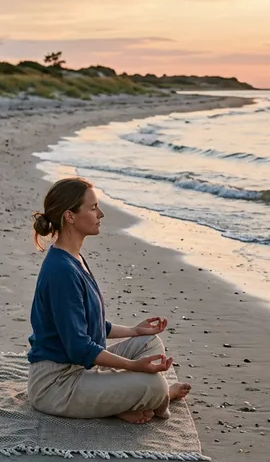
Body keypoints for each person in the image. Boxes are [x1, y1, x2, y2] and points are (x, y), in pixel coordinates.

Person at [27, 177, 190, 424]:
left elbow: (89, 326)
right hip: (57, 386)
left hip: (82, 370)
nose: (100, 214)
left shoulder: (74, 258)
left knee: (149, 342)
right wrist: (135, 368)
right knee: (155, 384)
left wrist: (135, 330)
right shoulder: (61, 271)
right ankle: (156, 396)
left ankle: (117, 402)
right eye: (93, 208)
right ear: (70, 216)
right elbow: (80, 346)